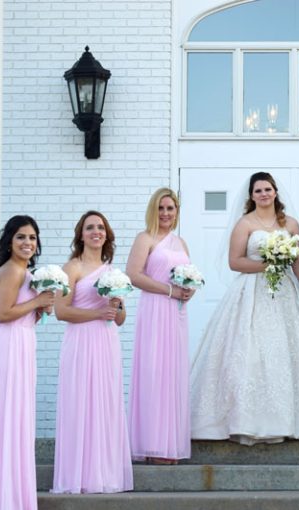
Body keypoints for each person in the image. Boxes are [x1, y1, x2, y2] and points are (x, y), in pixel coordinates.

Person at [189, 172, 299, 445]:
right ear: (251, 195)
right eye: (258, 191)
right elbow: (235, 262)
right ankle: (247, 420)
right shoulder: (245, 223)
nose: (264, 194)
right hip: (251, 294)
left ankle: (295, 420)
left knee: (285, 352)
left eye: (268, 189)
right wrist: (270, 264)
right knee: (251, 352)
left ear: (275, 192)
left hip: (285, 295)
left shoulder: (291, 224)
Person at [0, 216, 55, 510]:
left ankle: (13, 495)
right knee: (6, 420)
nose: (27, 243)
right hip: (7, 348)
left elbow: (24, 314)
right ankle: (1, 499)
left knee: (17, 420)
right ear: (9, 241)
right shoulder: (11, 271)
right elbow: (4, 314)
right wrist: (37, 301)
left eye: (32, 238)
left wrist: (42, 307)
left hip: (22, 345)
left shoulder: (25, 271)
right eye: (21, 237)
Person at [51, 211, 133, 493]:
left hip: (106, 343)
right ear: (81, 234)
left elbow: (120, 319)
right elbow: (61, 311)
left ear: (107, 234)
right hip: (80, 342)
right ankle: (79, 476)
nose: (96, 232)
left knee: (105, 405)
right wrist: (98, 312)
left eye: (100, 227)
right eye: (90, 228)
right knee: (80, 404)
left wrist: (116, 305)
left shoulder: (112, 271)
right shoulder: (72, 267)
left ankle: (104, 474)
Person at [127, 188, 194, 464]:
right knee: (154, 373)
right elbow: (133, 275)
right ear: (153, 210)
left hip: (176, 313)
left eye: (171, 208)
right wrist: (169, 290)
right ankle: (153, 446)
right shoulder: (145, 238)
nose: (166, 213)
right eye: (161, 208)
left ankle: (171, 444)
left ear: (177, 211)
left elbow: (190, 274)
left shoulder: (180, 242)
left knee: (173, 374)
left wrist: (190, 289)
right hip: (155, 310)